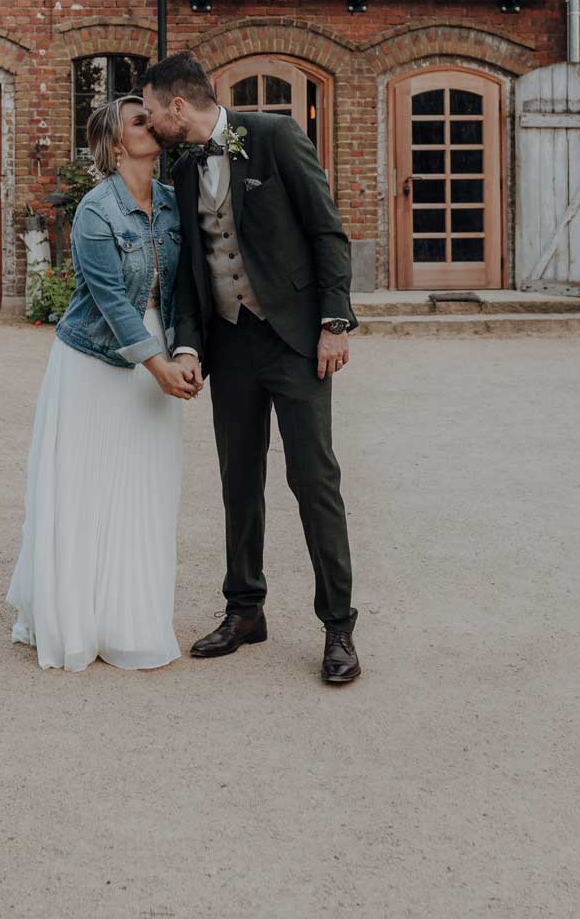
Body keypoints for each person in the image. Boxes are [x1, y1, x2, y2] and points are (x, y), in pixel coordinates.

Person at [141, 53, 362, 685]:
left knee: (313, 479)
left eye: (153, 111)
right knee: (239, 479)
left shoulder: (274, 137)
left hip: (293, 339)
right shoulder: (183, 171)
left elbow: (327, 232)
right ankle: (245, 610)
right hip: (230, 343)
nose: (152, 122)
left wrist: (333, 323)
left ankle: (339, 627)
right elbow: (187, 274)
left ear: (177, 106)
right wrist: (188, 346)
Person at [6, 95, 200, 672]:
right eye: (140, 121)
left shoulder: (171, 204)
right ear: (117, 144)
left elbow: (185, 285)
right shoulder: (96, 210)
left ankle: (131, 617)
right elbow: (112, 301)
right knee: (88, 487)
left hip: (157, 357)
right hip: (94, 362)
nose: (154, 125)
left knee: (146, 486)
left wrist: (183, 351)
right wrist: (157, 365)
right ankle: (77, 618)